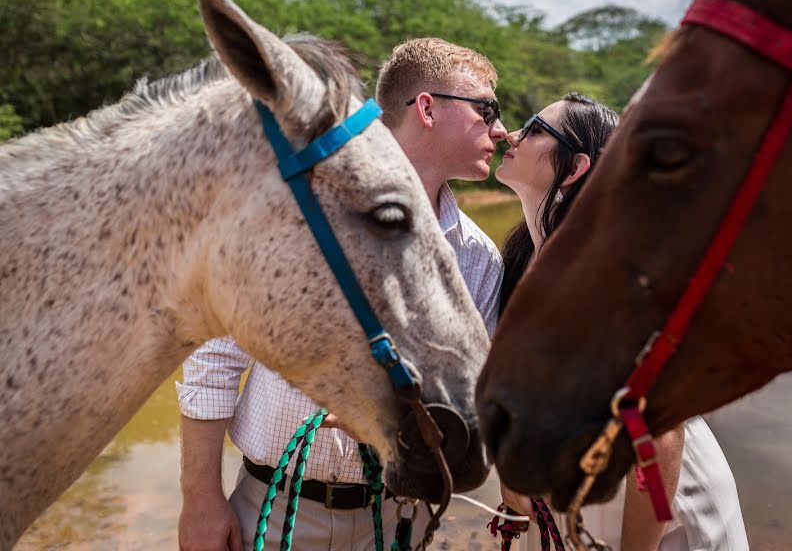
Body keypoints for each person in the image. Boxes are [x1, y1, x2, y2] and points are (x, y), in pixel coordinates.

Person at [176, 37, 508, 551]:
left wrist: (402, 425)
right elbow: (214, 359)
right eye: (487, 109)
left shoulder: (479, 256)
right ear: (426, 108)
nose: (501, 130)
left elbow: (474, 399)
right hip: (276, 506)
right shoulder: (299, 214)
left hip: (402, 517)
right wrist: (201, 499)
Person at [496, 92, 748, 550]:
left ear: (574, 168)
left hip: (663, 510)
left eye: (534, 129)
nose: (510, 134)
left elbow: (661, 430)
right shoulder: (519, 262)